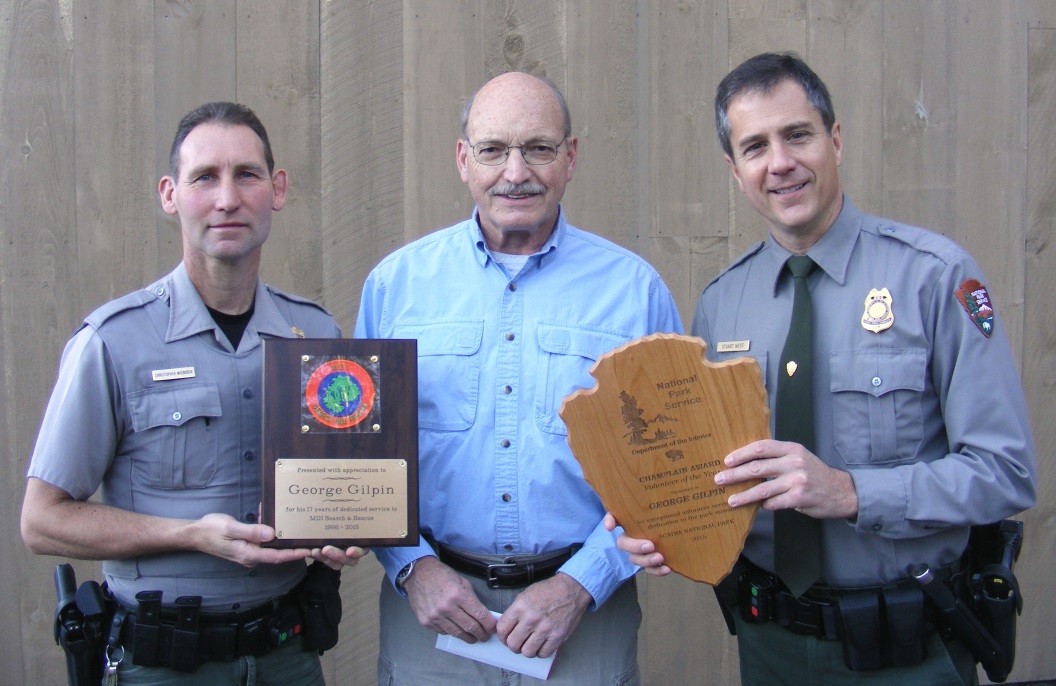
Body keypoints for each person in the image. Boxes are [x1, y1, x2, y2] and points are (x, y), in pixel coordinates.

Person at [612, 53, 1037, 685]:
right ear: (735, 171)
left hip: (908, 651)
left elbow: (1006, 474)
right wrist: (662, 524)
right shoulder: (721, 303)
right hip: (771, 645)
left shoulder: (934, 278)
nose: (779, 162)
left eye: (797, 134)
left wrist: (851, 492)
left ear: (834, 140)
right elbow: (709, 473)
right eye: (754, 146)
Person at [20, 102, 367, 685]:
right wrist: (188, 536)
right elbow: (42, 522)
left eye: (246, 175)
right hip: (163, 662)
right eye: (204, 176)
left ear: (276, 189)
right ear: (170, 194)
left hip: (288, 657)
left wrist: (347, 530)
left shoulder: (317, 336)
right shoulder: (114, 342)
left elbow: (335, 489)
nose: (227, 198)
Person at [355, 71, 682, 685]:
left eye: (538, 147)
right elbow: (359, 456)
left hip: (584, 619)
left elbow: (669, 471)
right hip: (434, 617)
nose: (515, 171)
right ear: (462, 159)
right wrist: (410, 568)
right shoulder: (395, 288)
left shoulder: (635, 293)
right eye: (493, 149)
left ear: (571, 156)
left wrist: (583, 583)